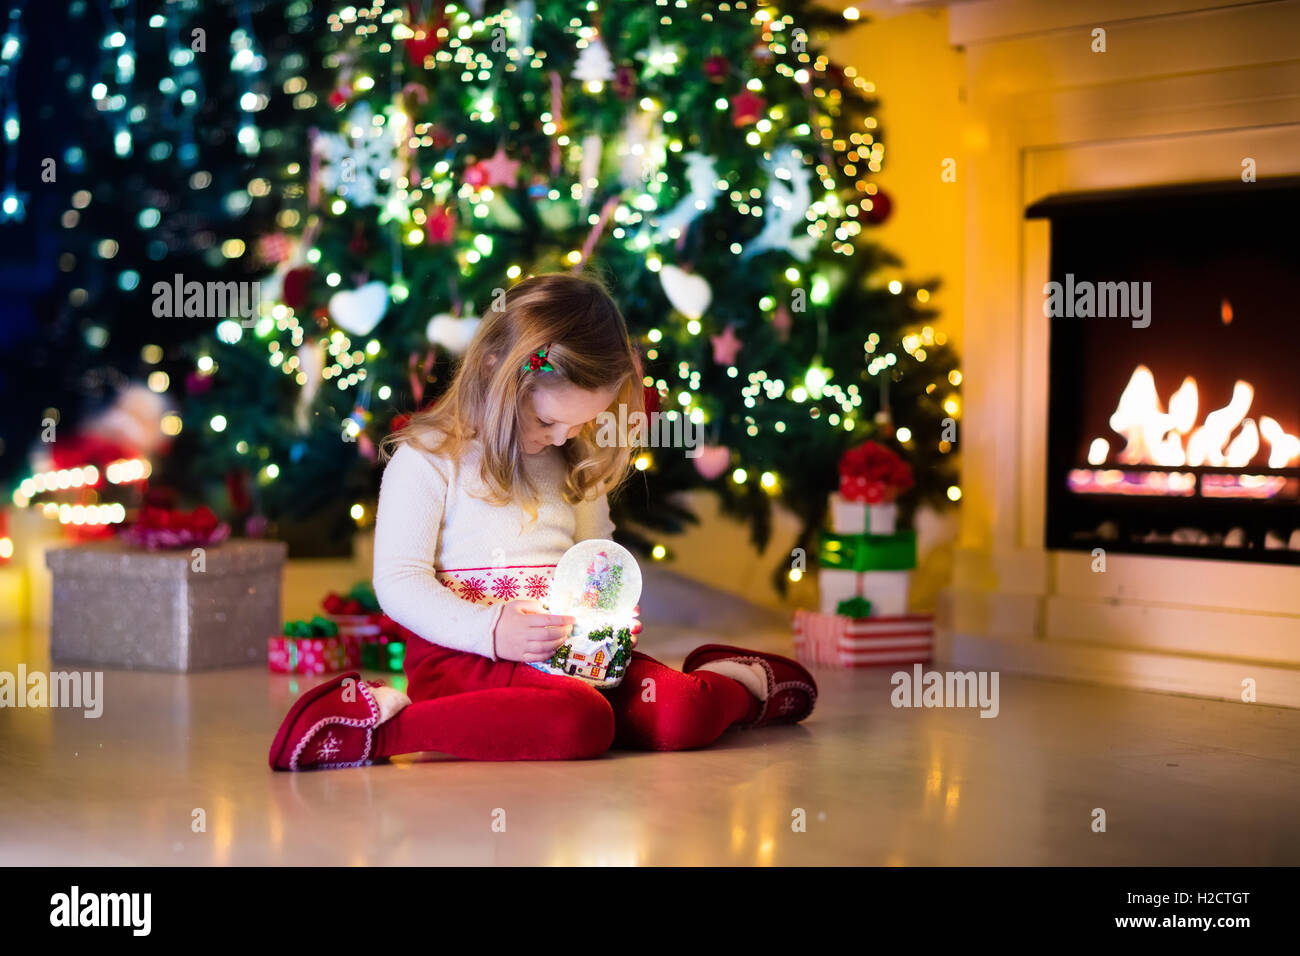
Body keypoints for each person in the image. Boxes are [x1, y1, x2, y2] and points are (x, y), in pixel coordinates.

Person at [268, 272, 817, 771]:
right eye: (548, 420)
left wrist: (608, 619)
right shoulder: (428, 458)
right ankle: (376, 728)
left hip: (568, 658)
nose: (561, 437)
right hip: (464, 662)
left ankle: (744, 684)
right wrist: (493, 631)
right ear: (496, 372)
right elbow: (398, 582)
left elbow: (596, 560)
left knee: (677, 713)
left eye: (578, 425)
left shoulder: (571, 461)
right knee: (578, 721)